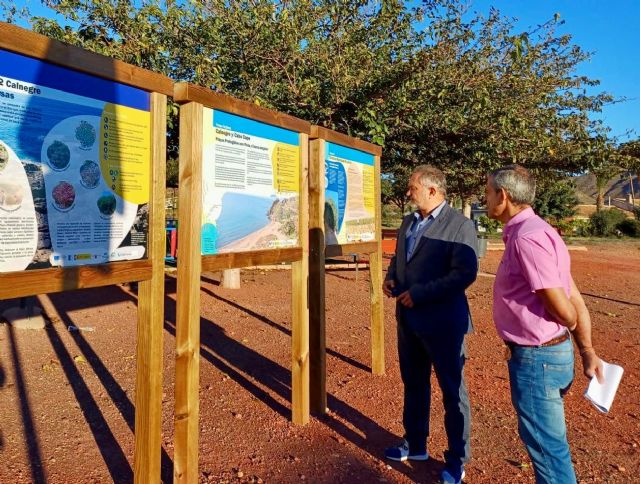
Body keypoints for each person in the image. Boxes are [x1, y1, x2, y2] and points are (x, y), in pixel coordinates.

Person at [485, 165, 604, 483]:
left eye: (487, 192)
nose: (485, 199)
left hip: (538, 361)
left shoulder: (527, 238)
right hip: (551, 356)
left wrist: (568, 319)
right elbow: (575, 293)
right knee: (548, 446)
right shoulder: (541, 230)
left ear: (503, 195)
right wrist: (587, 350)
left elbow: (566, 307)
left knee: (548, 453)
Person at [383, 165, 478, 484]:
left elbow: (464, 274)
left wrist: (420, 294)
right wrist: (391, 278)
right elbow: (399, 259)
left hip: (443, 323)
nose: (408, 192)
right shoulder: (408, 221)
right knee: (414, 382)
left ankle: (456, 460)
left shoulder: (460, 225)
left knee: (453, 391)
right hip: (408, 319)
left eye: (413, 187)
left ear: (433, 191)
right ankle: (416, 443)